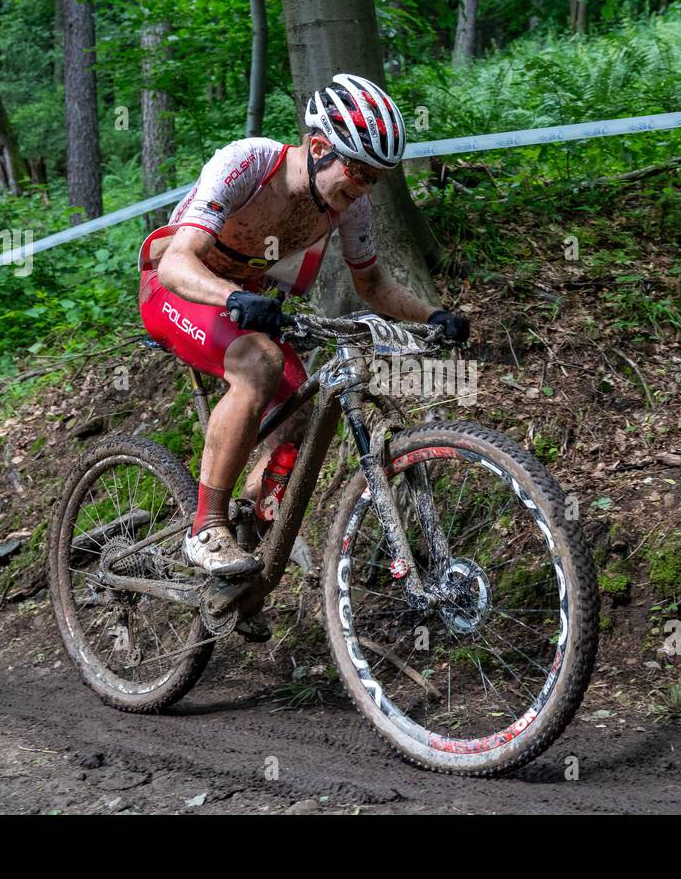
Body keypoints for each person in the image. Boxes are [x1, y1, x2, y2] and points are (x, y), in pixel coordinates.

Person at [138, 73, 469, 640]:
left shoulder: (347, 206)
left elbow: (374, 287)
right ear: (319, 148)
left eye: (377, 178)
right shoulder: (247, 164)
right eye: (359, 172)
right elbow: (176, 262)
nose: (365, 189)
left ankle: (241, 554)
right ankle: (206, 526)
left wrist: (431, 315)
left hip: (243, 305)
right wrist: (235, 295)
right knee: (260, 366)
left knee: (296, 405)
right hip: (178, 289)